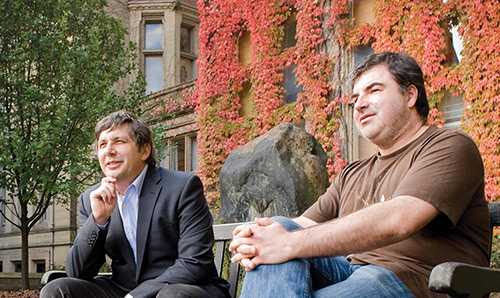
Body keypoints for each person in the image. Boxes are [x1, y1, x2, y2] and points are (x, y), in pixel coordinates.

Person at [229, 52, 491, 298]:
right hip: (349, 273)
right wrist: (258, 236)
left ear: (410, 95)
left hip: (414, 279)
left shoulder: (448, 146)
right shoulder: (352, 173)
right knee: (279, 225)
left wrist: (288, 243)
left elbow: (400, 220)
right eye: (355, 99)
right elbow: (301, 225)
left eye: (374, 90)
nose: (359, 104)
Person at [41, 111, 229, 298]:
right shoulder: (91, 198)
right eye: (102, 145)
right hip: (122, 288)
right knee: (57, 289)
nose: (109, 151)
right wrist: (98, 220)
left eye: (119, 142)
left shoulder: (182, 187)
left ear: (144, 150)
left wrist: (136, 297)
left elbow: (194, 262)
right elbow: (77, 272)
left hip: (184, 288)